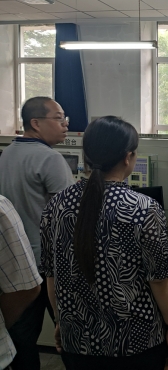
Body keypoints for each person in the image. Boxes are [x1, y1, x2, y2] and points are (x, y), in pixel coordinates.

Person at [40, 116, 168, 370]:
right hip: (136, 343)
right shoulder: (143, 208)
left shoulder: (57, 205)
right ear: (128, 157)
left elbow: (51, 274)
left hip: (77, 340)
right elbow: (162, 279)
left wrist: (61, 320)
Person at [0, 96, 74, 370]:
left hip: (17, 265)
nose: (65, 124)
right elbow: (67, 218)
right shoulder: (50, 159)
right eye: (58, 118)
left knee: (22, 340)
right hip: (48, 264)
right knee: (69, 334)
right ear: (36, 123)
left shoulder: (7, 154)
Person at [0, 195, 42, 369]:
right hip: (34, 264)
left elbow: (25, 291)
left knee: (24, 337)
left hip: (36, 264)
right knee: (25, 339)